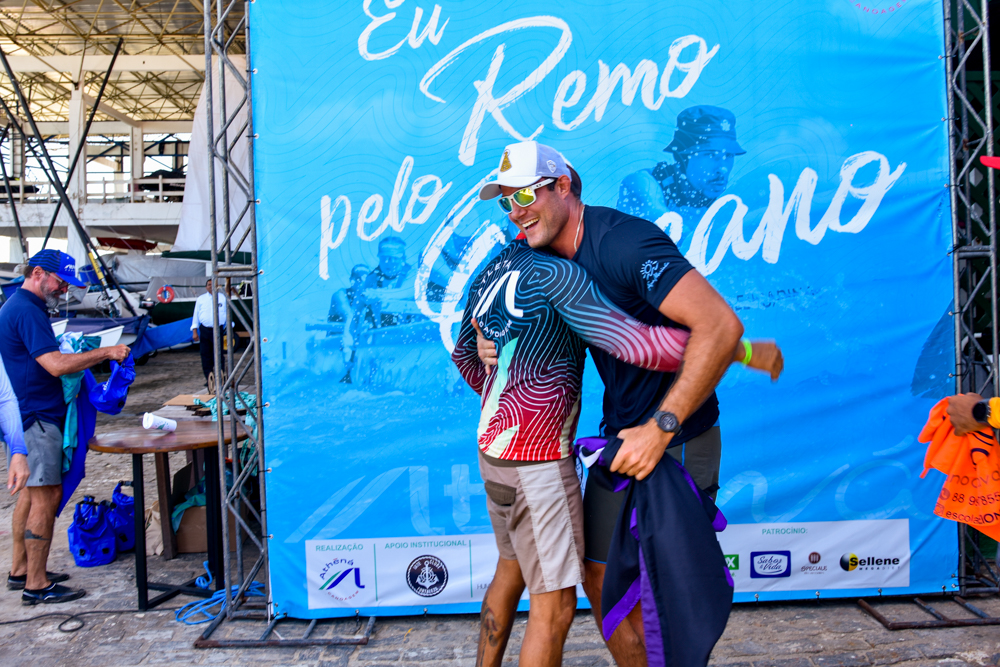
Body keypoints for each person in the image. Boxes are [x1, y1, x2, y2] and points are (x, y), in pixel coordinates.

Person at [478, 141, 778, 666]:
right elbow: (641, 340)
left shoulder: (625, 243)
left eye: (525, 194)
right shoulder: (539, 255)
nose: (516, 211)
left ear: (563, 186)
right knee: (600, 580)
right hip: (618, 437)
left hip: (677, 437)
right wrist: (491, 339)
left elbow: (717, 324)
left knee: (667, 597)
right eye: (507, 201)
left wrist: (661, 427)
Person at [0, 249, 130, 604]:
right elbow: (55, 365)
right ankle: (37, 585)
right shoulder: (27, 310)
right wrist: (106, 352)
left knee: (30, 496)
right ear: (38, 273)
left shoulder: (20, 306)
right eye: (60, 281)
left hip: (29, 416)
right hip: (37, 419)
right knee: (47, 497)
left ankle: (20, 571)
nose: (64, 289)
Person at [618, 106, 745, 253]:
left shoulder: (731, 197)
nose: (723, 168)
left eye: (728, 156)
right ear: (682, 157)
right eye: (711, 155)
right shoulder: (643, 184)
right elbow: (675, 235)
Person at [191, 278, 226, 388]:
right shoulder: (201, 299)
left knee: (219, 354)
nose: (211, 286)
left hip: (218, 329)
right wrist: (194, 331)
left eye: (213, 284)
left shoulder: (223, 298)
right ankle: (209, 379)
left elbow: (227, 313)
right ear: (206, 287)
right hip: (205, 330)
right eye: (209, 284)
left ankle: (221, 378)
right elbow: (196, 315)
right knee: (206, 355)